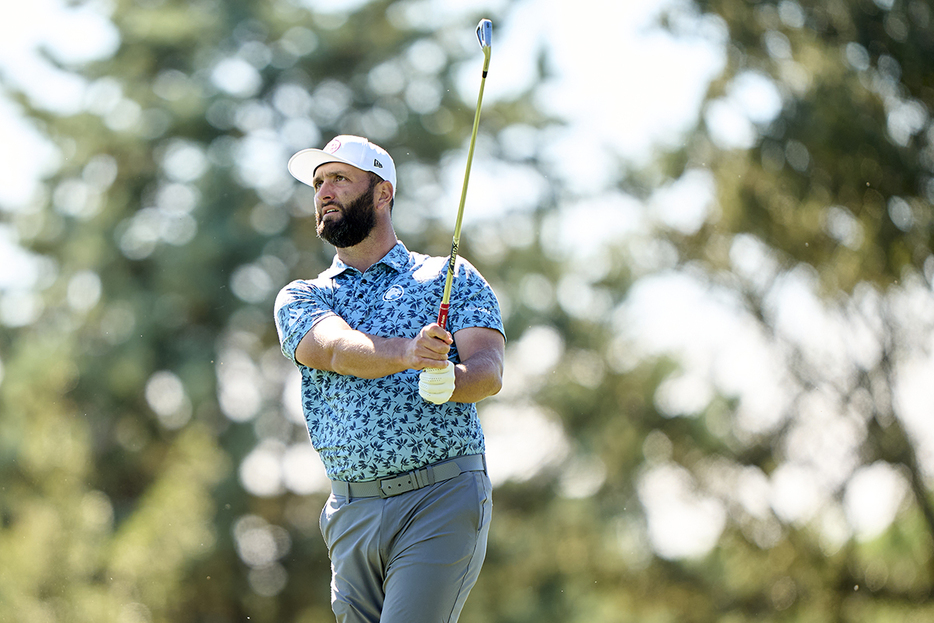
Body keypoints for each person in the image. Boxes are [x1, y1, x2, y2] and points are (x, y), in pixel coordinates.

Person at [274, 135, 506, 623]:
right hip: (350, 511)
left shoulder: (450, 276)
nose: (323, 191)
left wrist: (453, 380)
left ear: (383, 193)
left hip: (439, 497)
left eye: (339, 177)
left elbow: (490, 369)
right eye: (318, 182)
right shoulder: (302, 296)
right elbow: (335, 349)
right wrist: (410, 353)